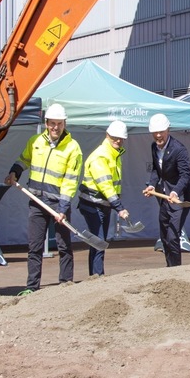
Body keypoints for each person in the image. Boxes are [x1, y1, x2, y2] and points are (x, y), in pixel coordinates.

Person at [4, 103, 83, 294]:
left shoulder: (73, 148)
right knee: (35, 246)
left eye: (60, 123)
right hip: (36, 202)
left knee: (64, 246)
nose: (56, 127)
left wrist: (63, 208)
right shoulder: (36, 141)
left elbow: (70, 182)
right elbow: (24, 159)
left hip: (58, 204)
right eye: (52, 123)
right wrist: (14, 172)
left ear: (65, 124)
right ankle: (32, 287)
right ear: (46, 123)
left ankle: (66, 285)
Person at [79, 119, 131, 277]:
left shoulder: (114, 155)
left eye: (121, 138)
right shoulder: (101, 156)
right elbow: (105, 185)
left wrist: (115, 205)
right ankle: (97, 278)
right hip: (92, 205)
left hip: (103, 205)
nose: (118, 140)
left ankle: (95, 276)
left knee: (98, 242)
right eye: (114, 137)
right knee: (99, 242)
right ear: (107, 135)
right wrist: (119, 208)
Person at [143, 113, 190, 268]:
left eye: (161, 132)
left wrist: (175, 192)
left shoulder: (179, 149)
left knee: (173, 235)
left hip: (179, 198)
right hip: (164, 196)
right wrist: (152, 185)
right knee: (164, 234)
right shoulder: (154, 147)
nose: (158, 135)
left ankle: (176, 270)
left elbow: (185, 175)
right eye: (155, 132)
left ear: (168, 130)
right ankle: (169, 268)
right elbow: (156, 170)